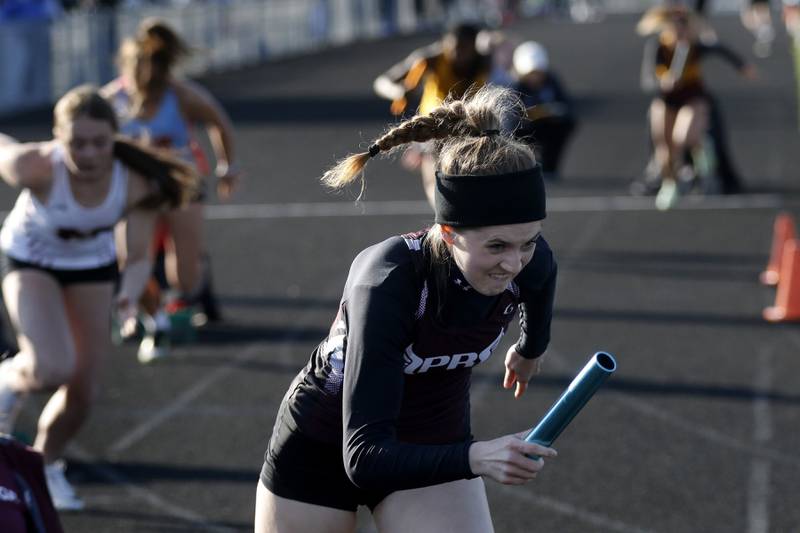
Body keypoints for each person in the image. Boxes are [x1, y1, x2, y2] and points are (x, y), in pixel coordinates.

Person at [255, 86, 558, 533]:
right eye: (496, 246)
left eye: (527, 242)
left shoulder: (531, 261)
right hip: (325, 445)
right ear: (449, 232)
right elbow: (363, 456)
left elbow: (540, 291)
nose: (513, 263)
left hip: (432, 437)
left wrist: (530, 350)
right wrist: (476, 456)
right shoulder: (388, 279)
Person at [0, 85, 198, 510]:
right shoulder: (33, 166)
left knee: (84, 390)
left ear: (115, 137)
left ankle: (44, 466)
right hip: (30, 260)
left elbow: (141, 255)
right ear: (57, 137)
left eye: (99, 143)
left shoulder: (135, 181)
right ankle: (6, 381)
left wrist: (128, 297)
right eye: (76, 143)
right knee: (51, 367)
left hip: (91, 268)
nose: (88, 154)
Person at [101, 18, 240, 362]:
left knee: (184, 275)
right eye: (135, 72)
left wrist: (227, 167)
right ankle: (155, 318)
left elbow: (219, 122)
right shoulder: (110, 100)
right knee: (132, 261)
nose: (140, 81)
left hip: (181, 189)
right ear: (126, 67)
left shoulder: (180, 95)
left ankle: (191, 288)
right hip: (137, 194)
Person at [637, 5, 756, 210]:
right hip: (666, 99)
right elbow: (647, 79)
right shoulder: (658, 46)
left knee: (683, 137)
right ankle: (670, 183)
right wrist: (663, 81)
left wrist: (742, 67)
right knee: (665, 148)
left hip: (693, 97)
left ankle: (703, 154)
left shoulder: (693, 46)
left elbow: (721, 49)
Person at [373, 22, 491, 206]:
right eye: (452, 47)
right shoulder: (430, 59)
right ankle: (442, 212)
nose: (456, 54)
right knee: (436, 181)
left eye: (463, 49)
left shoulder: (486, 61)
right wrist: (398, 92)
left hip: (469, 128)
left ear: (474, 48)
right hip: (433, 129)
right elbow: (382, 82)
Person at [508, 40, 577, 180]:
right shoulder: (514, 86)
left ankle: (550, 167)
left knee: (566, 123)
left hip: (548, 126)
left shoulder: (552, 82)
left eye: (538, 72)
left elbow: (565, 105)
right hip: (523, 129)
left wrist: (554, 112)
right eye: (531, 73)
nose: (535, 77)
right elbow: (511, 117)